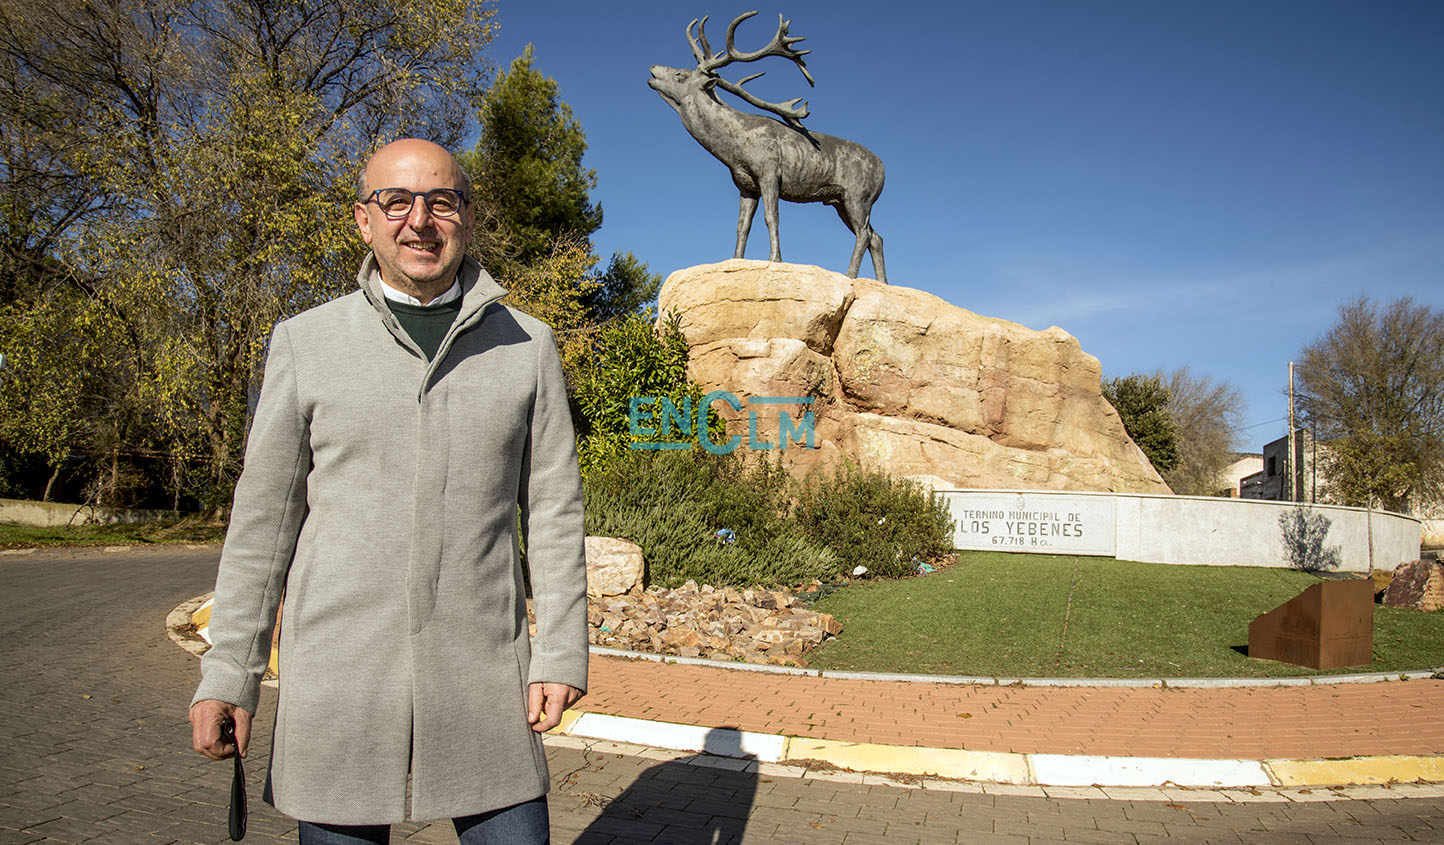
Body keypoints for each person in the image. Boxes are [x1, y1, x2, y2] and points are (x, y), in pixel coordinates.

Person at [188, 138, 589, 844]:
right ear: (363, 220)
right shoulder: (304, 343)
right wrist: (229, 674)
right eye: (396, 201)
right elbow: (263, 525)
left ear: (467, 215)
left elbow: (554, 513)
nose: (420, 220)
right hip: (339, 682)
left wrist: (559, 651)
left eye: (441, 200)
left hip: (484, 678)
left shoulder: (529, 346)